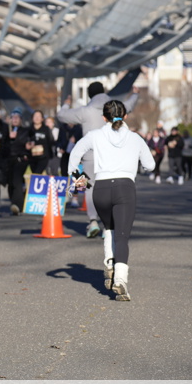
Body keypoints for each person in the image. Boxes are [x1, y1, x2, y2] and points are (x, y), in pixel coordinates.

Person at [68, 100, 155, 302]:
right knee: (122, 236)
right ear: (125, 116)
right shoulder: (135, 138)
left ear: (103, 118)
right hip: (125, 187)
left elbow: (75, 154)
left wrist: (81, 183)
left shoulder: (95, 135)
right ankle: (120, 280)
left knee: (109, 227)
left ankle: (109, 262)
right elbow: (150, 165)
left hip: (101, 188)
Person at [57, 82, 139, 237]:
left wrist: (66, 104)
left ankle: (93, 221)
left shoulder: (85, 111)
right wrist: (135, 94)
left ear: (89, 95)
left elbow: (61, 116)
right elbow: (129, 106)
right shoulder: (114, 107)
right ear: (103, 92)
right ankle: (108, 226)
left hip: (91, 155)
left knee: (91, 188)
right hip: (112, 154)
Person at [5, 109, 31, 216]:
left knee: (16, 180)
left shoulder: (25, 131)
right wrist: (8, 137)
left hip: (21, 159)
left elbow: (26, 142)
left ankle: (18, 205)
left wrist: (17, 138)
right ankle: (15, 201)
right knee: (11, 182)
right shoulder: (6, 131)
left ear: (21, 120)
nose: (15, 119)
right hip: (9, 160)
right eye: (13, 117)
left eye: (17, 117)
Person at [26, 110, 53, 175]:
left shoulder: (46, 129)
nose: (37, 118)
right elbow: (25, 141)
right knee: (34, 173)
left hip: (43, 157)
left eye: (39, 116)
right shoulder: (28, 129)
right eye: (35, 116)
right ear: (32, 118)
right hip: (32, 157)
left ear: (42, 119)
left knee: (37, 173)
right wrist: (28, 145)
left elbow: (51, 141)